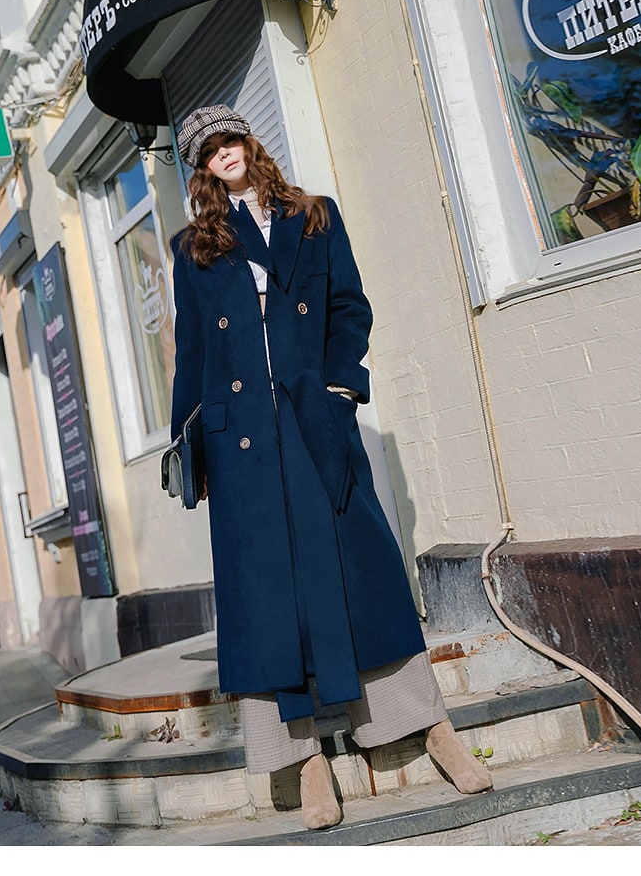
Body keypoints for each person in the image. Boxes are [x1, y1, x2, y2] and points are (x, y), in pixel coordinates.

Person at [169, 105, 493, 829]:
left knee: (362, 567)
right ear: (201, 169)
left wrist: (342, 385)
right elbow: (193, 351)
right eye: (207, 150)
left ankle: (428, 724)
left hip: (315, 417)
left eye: (228, 140)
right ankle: (304, 756)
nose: (223, 153)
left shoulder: (313, 215)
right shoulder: (194, 246)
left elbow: (349, 306)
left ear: (248, 141)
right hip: (239, 437)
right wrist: (189, 442)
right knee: (267, 597)